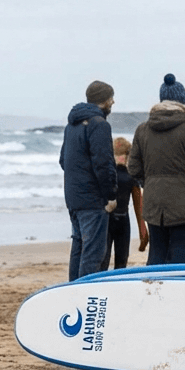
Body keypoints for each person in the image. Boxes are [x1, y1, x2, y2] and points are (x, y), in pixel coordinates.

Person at [128, 74, 185, 265]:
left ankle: (153, 293)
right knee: (180, 259)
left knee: (156, 256)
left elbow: (133, 168)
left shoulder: (142, 129)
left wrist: (149, 183)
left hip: (154, 203)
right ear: (182, 100)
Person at [60, 80, 118, 280]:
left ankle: (73, 290)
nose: (113, 102)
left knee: (78, 246)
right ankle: (85, 295)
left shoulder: (71, 125)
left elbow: (63, 161)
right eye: (111, 98)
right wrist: (110, 195)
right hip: (93, 200)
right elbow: (104, 164)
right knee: (93, 253)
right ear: (105, 101)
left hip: (73, 197)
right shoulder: (99, 124)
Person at [102, 137, 148, 270]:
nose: (122, 157)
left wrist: (143, 231)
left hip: (114, 220)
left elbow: (138, 205)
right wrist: (143, 231)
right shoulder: (128, 176)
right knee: (116, 261)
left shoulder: (109, 175)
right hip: (117, 220)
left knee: (111, 260)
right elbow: (139, 206)